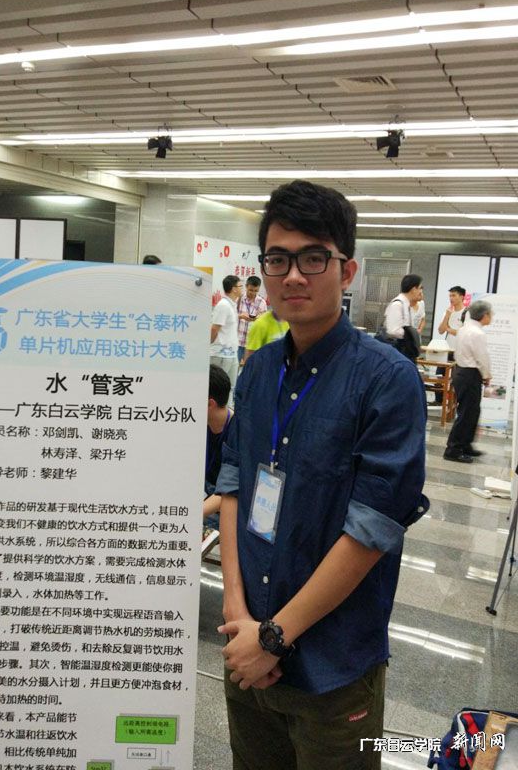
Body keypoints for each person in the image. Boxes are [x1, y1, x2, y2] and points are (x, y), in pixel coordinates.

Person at [215, 180, 428, 770]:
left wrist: (274, 637)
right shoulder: (259, 371)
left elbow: (371, 531)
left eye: (314, 258)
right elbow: (233, 485)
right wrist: (237, 613)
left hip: (332, 663)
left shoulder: (387, 380)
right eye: (277, 259)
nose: (293, 276)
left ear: (347, 269)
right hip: (246, 645)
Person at [443, 300, 492, 464]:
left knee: (472, 411)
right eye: (490, 314)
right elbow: (482, 357)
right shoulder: (478, 333)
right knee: (466, 413)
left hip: (461, 372)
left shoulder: (464, 329)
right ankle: (453, 449)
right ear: (484, 315)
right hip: (470, 374)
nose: (491, 317)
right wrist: (487, 375)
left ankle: (465, 444)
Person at [203, 365, 233, 527]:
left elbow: (232, 490)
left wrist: (189, 514)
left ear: (210, 404)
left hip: (227, 507)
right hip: (207, 498)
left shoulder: (239, 433)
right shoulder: (200, 426)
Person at [210, 275, 243, 393]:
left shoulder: (231, 304)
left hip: (232, 353)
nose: (242, 289)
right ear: (234, 289)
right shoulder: (223, 305)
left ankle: (228, 406)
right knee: (219, 388)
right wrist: (211, 347)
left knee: (231, 387)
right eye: (240, 286)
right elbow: (214, 329)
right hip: (221, 354)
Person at [237, 276, 267, 363]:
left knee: (250, 369)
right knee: (234, 369)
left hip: (252, 344)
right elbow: (231, 317)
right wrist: (240, 316)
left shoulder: (262, 302)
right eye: (250, 290)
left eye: (256, 291)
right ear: (246, 286)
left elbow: (264, 323)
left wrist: (259, 319)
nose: (253, 293)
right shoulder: (239, 299)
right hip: (237, 341)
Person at [437, 285, 466, 357]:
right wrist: (447, 316)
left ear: (461, 297)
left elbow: (464, 334)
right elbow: (440, 331)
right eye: (450, 296)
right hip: (447, 349)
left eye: (453, 295)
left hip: (460, 351)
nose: (451, 298)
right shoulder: (448, 312)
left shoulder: (466, 312)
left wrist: (447, 329)